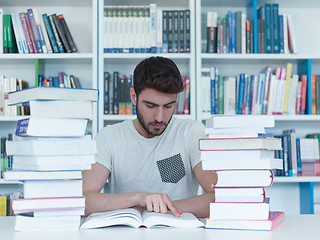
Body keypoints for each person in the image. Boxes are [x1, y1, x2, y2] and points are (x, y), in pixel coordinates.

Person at [83, 56, 217, 218]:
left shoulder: (191, 133)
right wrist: (139, 198)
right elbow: (83, 200)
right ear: (134, 97)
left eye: (168, 106)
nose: (160, 117)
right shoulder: (110, 137)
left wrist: (164, 208)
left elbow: (222, 196)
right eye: (151, 106)